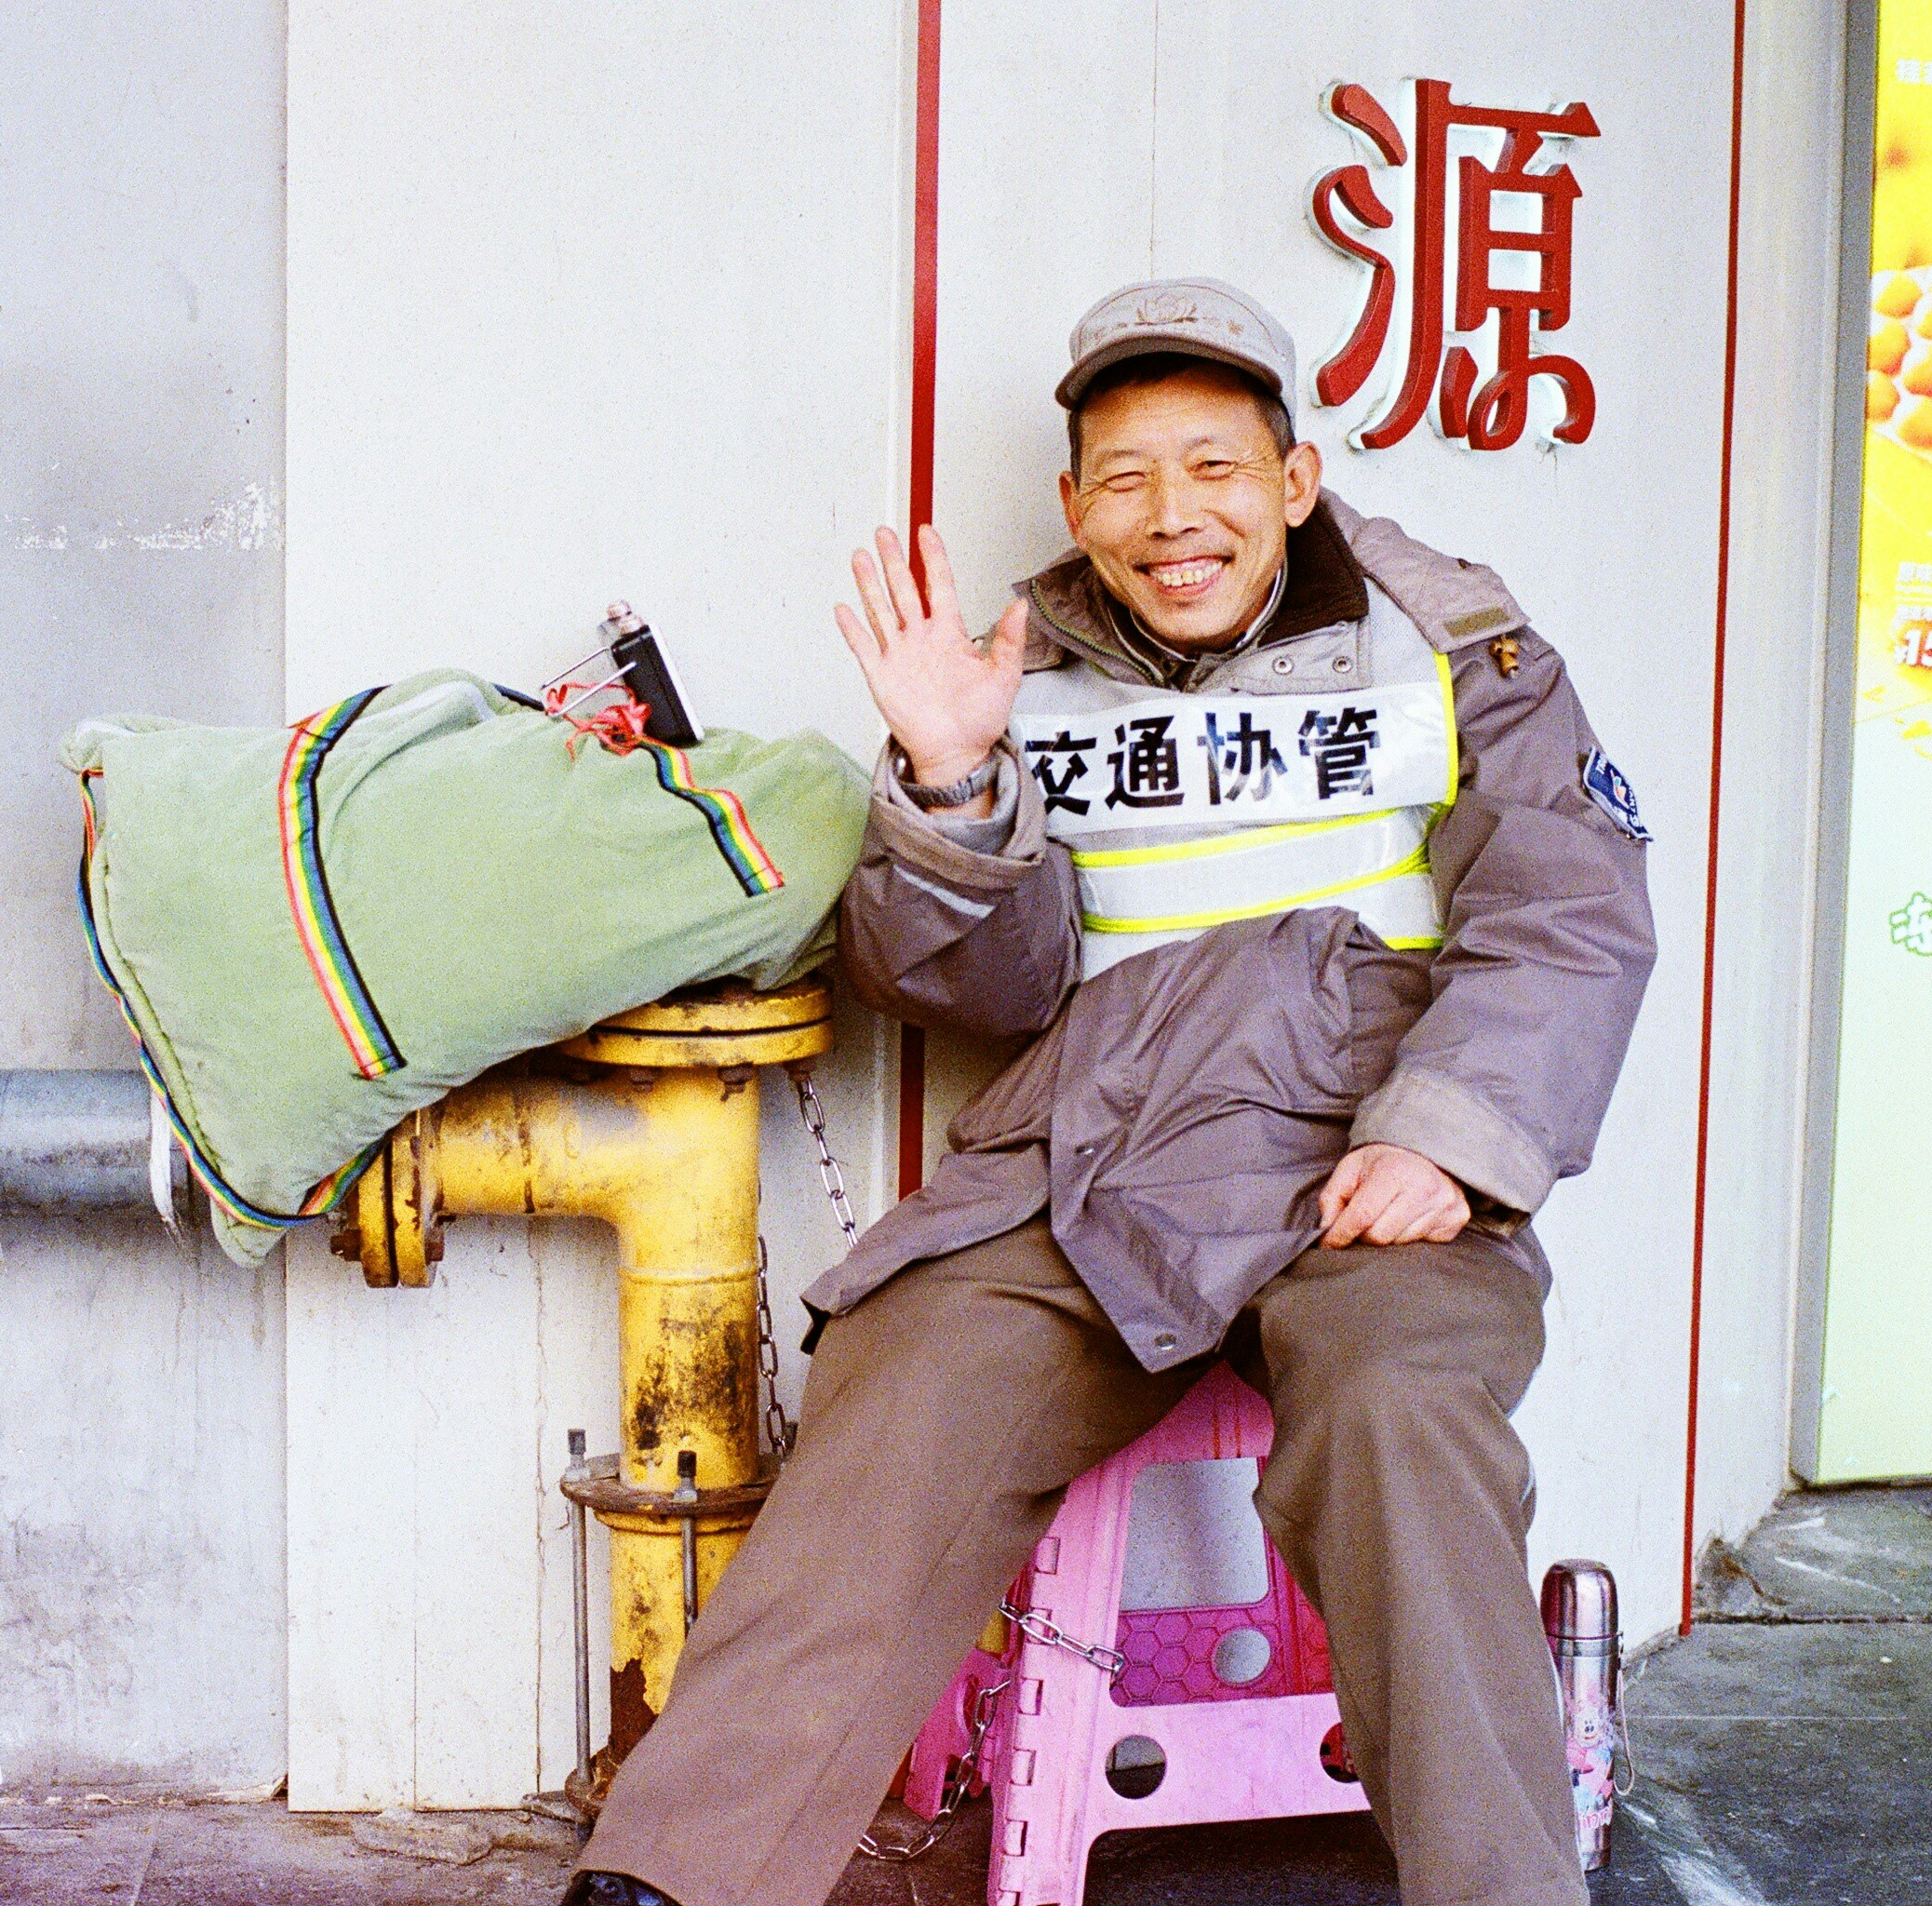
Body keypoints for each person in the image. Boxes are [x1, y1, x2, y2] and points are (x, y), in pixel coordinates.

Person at [570, 277, 1654, 1906]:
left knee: (1398, 1416)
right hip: (1089, 1155)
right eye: (1127, 479)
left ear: (1295, 481)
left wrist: (1447, 1138)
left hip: (1372, 1153)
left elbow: (1566, 908)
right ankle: (668, 1884)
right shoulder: (1014, 666)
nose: (1172, 519)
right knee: (903, 1389)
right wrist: (951, 783)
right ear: (1075, 505)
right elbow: (975, 995)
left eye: (1216, 469)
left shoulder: (1456, 644)